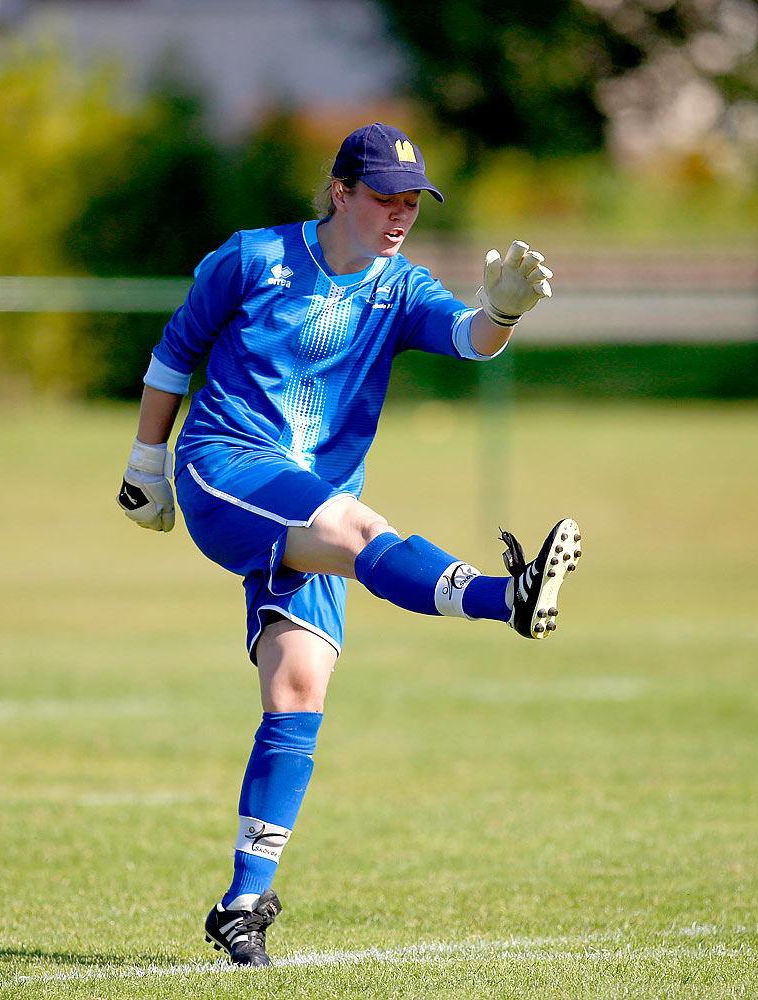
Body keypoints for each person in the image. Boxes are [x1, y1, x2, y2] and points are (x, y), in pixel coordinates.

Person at [116, 123, 581, 967]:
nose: (401, 214)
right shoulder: (252, 260)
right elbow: (174, 352)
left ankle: (243, 901)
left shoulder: (399, 285)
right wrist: (146, 465)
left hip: (315, 506)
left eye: (412, 202)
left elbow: (469, 336)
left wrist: (504, 311)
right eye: (384, 198)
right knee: (361, 530)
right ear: (340, 193)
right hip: (227, 465)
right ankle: (503, 597)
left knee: (297, 692)